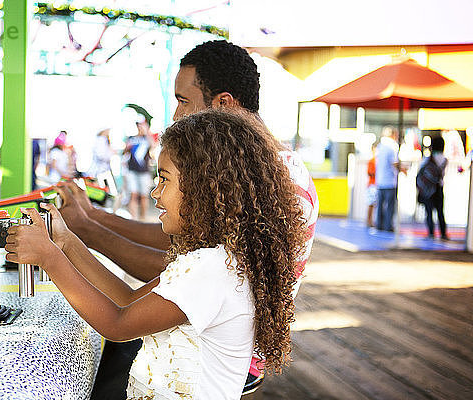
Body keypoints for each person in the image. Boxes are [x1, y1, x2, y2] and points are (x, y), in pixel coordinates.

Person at [54, 40, 318, 400]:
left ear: (224, 103)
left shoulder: (267, 183)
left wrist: (80, 232)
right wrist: (85, 226)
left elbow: (163, 266)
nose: (177, 115)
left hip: (208, 355)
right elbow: (177, 251)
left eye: (182, 100)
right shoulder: (260, 171)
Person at [5, 109, 308, 399]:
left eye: (164, 179)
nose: (155, 192)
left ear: (204, 187)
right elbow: (126, 300)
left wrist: (49, 258)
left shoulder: (211, 268)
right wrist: (67, 243)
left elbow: (117, 324)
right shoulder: (220, 260)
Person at [416, 136, 448, 240]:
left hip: (428, 190)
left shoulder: (428, 158)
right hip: (439, 187)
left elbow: (421, 172)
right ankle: (443, 233)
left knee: (429, 212)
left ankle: (431, 233)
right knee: (440, 212)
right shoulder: (444, 159)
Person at [123, 116, 154, 220]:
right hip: (132, 170)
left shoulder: (147, 138)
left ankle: (143, 219)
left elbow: (153, 145)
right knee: (133, 195)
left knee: (144, 196)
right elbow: (124, 153)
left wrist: (146, 132)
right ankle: (134, 219)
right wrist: (127, 148)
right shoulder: (131, 138)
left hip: (144, 171)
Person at [375, 126, 401, 232]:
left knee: (380, 205)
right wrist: (402, 169)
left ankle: (379, 225)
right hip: (390, 181)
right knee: (390, 206)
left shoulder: (380, 146)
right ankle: (387, 226)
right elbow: (394, 163)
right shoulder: (392, 146)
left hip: (380, 180)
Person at [366, 144, 377, 228]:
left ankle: (372, 221)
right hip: (372, 185)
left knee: (375, 204)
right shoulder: (372, 161)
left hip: (376, 184)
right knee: (371, 204)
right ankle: (369, 221)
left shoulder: (378, 160)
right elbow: (370, 173)